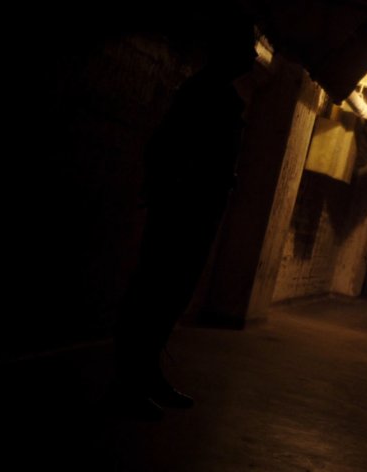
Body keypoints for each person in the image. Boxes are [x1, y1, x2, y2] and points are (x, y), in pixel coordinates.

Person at [110, 12, 257, 421]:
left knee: (169, 294)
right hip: (184, 210)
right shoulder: (203, 93)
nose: (250, 54)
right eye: (245, 46)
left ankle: (146, 373)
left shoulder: (219, 93)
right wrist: (173, 191)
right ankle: (130, 380)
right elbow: (166, 148)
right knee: (156, 293)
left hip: (195, 208)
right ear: (227, 50)